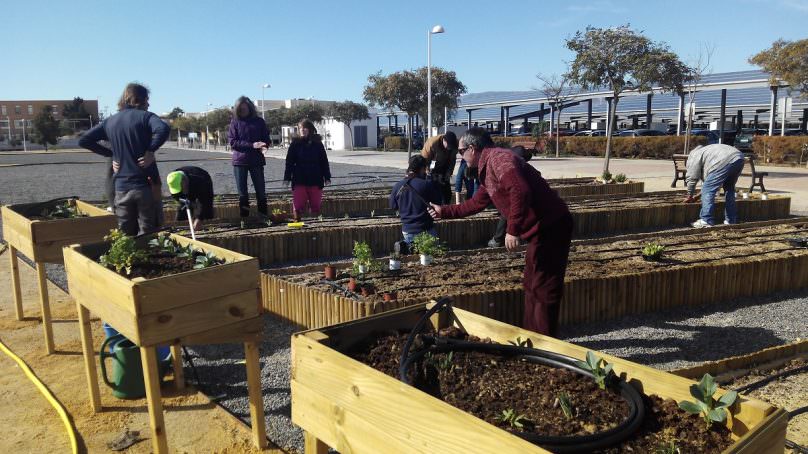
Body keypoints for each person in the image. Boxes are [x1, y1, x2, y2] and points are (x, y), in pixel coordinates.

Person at [429, 128, 573, 337]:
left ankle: (545, 343)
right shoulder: (488, 167)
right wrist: (444, 212)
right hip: (542, 230)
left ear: (472, 148)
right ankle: (533, 337)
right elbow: (475, 204)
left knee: (543, 288)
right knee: (532, 284)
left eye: (461, 152)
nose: (459, 156)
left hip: (552, 226)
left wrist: (512, 230)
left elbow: (519, 190)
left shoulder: (499, 159)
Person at [79, 82, 169, 235]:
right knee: (149, 234)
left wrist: (111, 154)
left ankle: (132, 259)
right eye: (146, 99)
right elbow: (163, 128)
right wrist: (150, 150)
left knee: (126, 234)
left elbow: (84, 140)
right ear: (137, 99)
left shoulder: (110, 121)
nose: (148, 103)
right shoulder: (146, 117)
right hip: (145, 186)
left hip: (121, 188)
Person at [684, 144, 745, 228]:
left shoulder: (694, 156)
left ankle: (706, 220)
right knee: (729, 188)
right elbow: (715, 184)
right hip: (739, 158)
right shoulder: (707, 151)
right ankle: (731, 220)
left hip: (724, 160)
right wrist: (699, 195)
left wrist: (690, 195)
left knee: (707, 189)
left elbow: (692, 177)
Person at [390, 155, 443, 251]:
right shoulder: (426, 184)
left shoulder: (398, 186)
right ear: (423, 169)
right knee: (430, 259)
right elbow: (439, 202)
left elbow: (393, 206)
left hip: (407, 230)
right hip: (426, 230)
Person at [228, 96, 269, 219]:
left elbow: (266, 139)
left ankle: (263, 217)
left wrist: (265, 146)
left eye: (245, 108)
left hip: (257, 161)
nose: (243, 111)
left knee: (261, 191)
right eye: (240, 109)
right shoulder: (234, 122)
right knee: (242, 194)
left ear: (250, 108)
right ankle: (244, 219)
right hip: (240, 162)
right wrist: (252, 145)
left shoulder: (259, 121)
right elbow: (233, 142)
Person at [488, 146, 534, 247]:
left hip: (520, 193)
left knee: (507, 212)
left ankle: (498, 239)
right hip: (523, 192)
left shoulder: (513, 162)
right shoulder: (518, 162)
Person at [284, 120, 331, 218]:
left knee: (315, 205)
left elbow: (324, 161)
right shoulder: (294, 144)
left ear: (310, 129)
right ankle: (298, 223)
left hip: (315, 177)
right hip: (299, 178)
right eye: (300, 128)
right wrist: (287, 178)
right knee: (298, 204)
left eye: (304, 128)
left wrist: (327, 177)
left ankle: (315, 226)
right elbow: (289, 162)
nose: (302, 130)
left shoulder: (318, 144)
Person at [166, 167, 214, 231]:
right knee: (184, 207)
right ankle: (181, 224)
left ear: (184, 181)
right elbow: (175, 195)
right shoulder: (172, 178)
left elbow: (205, 200)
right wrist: (188, 203)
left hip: (202, 180)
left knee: (205, 208)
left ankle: (205, 224)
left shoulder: (201, 180)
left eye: (181, 187)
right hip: (188, 182)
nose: (181, 190)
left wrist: (199, 218)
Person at [421, 131, 458, 204]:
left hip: (445, 167)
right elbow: (424, 159)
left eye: (451, 146)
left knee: (447, 192)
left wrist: (449, 173)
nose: (449, 147)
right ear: (444, 140)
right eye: (448, 145)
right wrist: (427, 170)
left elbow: (452, 160)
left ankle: (446, 206)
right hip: (432, 166)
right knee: (432, 188)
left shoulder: (455, 144)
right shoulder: (432, 142)